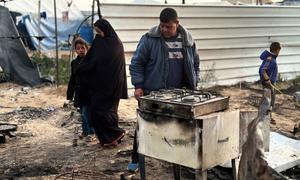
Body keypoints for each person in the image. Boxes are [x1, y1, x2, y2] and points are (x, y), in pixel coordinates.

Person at [128, 8, 200, 172]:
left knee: (181, 128)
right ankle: (136, 159)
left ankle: (179, 160)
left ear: (177, 23)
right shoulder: (149, 39)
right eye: (162, 26)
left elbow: (195, 64)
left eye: (168, 26)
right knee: (143, 125)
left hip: (181, 95)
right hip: (153, 93)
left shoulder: (187, 40)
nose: (164, 30)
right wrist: (138, 86)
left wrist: (195, 82)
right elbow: (136, 63)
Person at [77, 18, 128, 147]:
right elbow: (92, 59)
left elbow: (108, 64)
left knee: (101, 110)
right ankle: (109, 140)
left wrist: (86, 68)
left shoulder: (115, 43)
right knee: (104, 111)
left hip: (112, 84)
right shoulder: (101, 42)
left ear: (106, 29)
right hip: (102, 84)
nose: (98, 34)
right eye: (96, 32)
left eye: (99, 31)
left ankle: (116, 134)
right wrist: (83, 68)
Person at [66, 38, 94, 141]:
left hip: (89, 93)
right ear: (75, 50)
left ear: (87, 48)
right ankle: (85, 131)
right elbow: (72, 79)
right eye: (78, 48)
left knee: (87, 113)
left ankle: (91, 132)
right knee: (82, 113)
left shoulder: (91, 61)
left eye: (83, 48)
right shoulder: (74, 63)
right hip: (79, 93)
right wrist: (70, 94)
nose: (81, 50)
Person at [259, 42, 281, 124]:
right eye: (279, 51)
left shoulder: (271, 58)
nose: (279, 53)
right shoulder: (270, 59)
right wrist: (267, 80)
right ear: (277, 50)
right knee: (269, 101)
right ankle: (267, 118)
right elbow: (263, 70)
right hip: (268, 84)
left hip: (270, 83)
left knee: (270, 100)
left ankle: (268, 117)